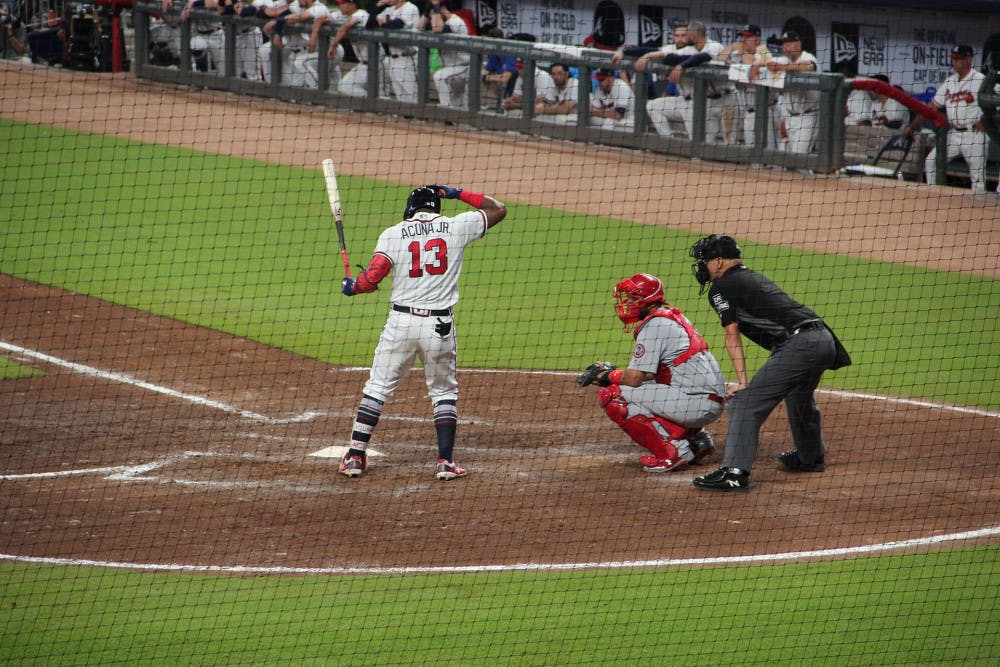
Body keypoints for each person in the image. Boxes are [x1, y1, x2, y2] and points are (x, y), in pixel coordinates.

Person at [338, 184, 507, 480]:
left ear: (410, 208)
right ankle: (445, 463)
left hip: (400, 324)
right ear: (436, 206)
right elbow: (497, 209)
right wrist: (456, 193)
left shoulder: (393, 233)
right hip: (439, 326)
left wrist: (352, 286)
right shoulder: (457, 226)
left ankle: (354, 456)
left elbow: (371, 278)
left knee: (378, 387)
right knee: (443, 392)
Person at [687, 235, 851, 492]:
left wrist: (742, 382)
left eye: (704, 261)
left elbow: (732, 334)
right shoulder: (747, 277)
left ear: (719, 262)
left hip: (801, 344)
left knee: (745, 402)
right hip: (822, 339)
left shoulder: (723, 286)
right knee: (799, 395)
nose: (702, 266)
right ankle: (810, 457)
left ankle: (734, 473)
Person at [578, 274, 724, 473]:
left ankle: (672, 453)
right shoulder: (671, 317)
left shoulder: (654, 325)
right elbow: (651, 374)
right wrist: (613, 373)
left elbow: (635, 378)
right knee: (644, 387)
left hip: (695, 404)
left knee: (613, 394)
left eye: (633, 298)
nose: (628, 303)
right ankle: (696, 441)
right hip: (706, 400)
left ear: (648, 299)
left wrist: (606, 376)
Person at [903, 45, 989, 192]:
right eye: (953, 58)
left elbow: (997, 101)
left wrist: (987, 120)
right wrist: (912, 126)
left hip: (974, 135)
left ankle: (976, 210)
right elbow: (931, 107)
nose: (955, 62)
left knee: (977, 177)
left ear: (969, 59)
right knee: (931, 162)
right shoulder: (950, 82)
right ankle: (935, 198)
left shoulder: (981, 80)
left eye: (958, 58)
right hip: (953, 134)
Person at [643, 20, 728, 143]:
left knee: (716, 141)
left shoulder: (715, 46)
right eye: (677, 35)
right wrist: (646, 55)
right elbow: (669, 57)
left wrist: (680, 66)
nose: (682, 38)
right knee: (652, 106)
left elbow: (702, 57)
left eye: (685, 35)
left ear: (692, 36)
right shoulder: (687, 50)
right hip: (691, 100)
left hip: (718, 98)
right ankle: (669, 144)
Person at [754, 30, 819, 154]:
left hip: (807, 117)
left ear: (798, 44)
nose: (785, 47)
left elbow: (809, 66)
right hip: (788, 116)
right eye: (783, 44)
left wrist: (779, 68)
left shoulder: (807, 57)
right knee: (785, 160)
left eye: (788, 43)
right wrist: (758, 61)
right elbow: (765, 58)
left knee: (799, 159)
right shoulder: (785, 60)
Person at [719, 24, 776, 147]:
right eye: (742, 37)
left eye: (747, 37)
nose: (743, 40)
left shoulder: (763, 51)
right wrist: (732, 47)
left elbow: (752, 64)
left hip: (766, 112)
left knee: (772, 153)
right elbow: (718, 58)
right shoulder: (739, 52)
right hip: (748, 112)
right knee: (753, 156)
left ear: (757, 39)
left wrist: (743, 52)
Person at [426, 0, 470, 109]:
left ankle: (446, 109)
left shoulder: (456, 22)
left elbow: (437, 28)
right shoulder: (445, 21)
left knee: (439, 77)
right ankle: (455, 120)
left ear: (442, 10)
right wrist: (426, 14)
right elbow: (419, 27)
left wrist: (436, 6)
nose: (433, 19)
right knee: (459, 103)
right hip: (451, 69)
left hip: (462, 67)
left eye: (435, 16)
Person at [375, 0, 420, 104]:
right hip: (392, 57)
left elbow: (395, 24)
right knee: (400, 95)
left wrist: (383, 23)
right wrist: (378, 6)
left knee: (411, 94)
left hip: (408, 57)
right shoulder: (389, 9)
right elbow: (370, 23)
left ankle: (418, 118)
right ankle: (406, 119)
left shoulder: (410, 8)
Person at [327, 0, 372, 97]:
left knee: (380, 92)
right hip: (364, 63)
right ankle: (371, 104)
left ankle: (372, 103)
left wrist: (333, 45)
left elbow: (346, 25)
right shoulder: (344, 15)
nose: (340, 6)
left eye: (343, 3)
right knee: (345, 86)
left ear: (352, 5)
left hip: (377, 63)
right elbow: (325, 18)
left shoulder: (361, 13)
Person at [480, 27, 517, 111]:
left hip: (517, 87)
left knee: (500, 81)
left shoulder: (509, 52)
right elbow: (484, 72)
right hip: (505, 83)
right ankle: (499, 105)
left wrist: (488, 77)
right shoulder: (494, 54)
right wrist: (485, 77)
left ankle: (504, 104)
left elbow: (505, 79)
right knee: (479, 77)